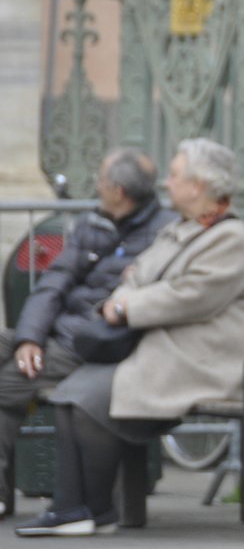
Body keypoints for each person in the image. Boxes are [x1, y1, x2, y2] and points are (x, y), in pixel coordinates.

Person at [16, 139, 244, 537]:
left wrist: (128, 305)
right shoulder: (184, 228)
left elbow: (188, 296)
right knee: (69, 395)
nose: (167, 181)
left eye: (176, 173)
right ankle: (76, 508)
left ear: (198, 185)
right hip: (165, 350)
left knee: (86, 399)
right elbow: (135, 275)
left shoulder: (229, 237)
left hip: (201, 360)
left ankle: (89, 508)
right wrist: (130, 296)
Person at [2, 149, 175, 522]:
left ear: (118, 190)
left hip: (93, 342)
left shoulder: (163, 233)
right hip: (55, 331)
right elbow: (53, 284)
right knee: (14, 352)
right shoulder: (93, 223)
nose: (95, 187)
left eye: (100, 180)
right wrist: (28, 337)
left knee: (11, 383)